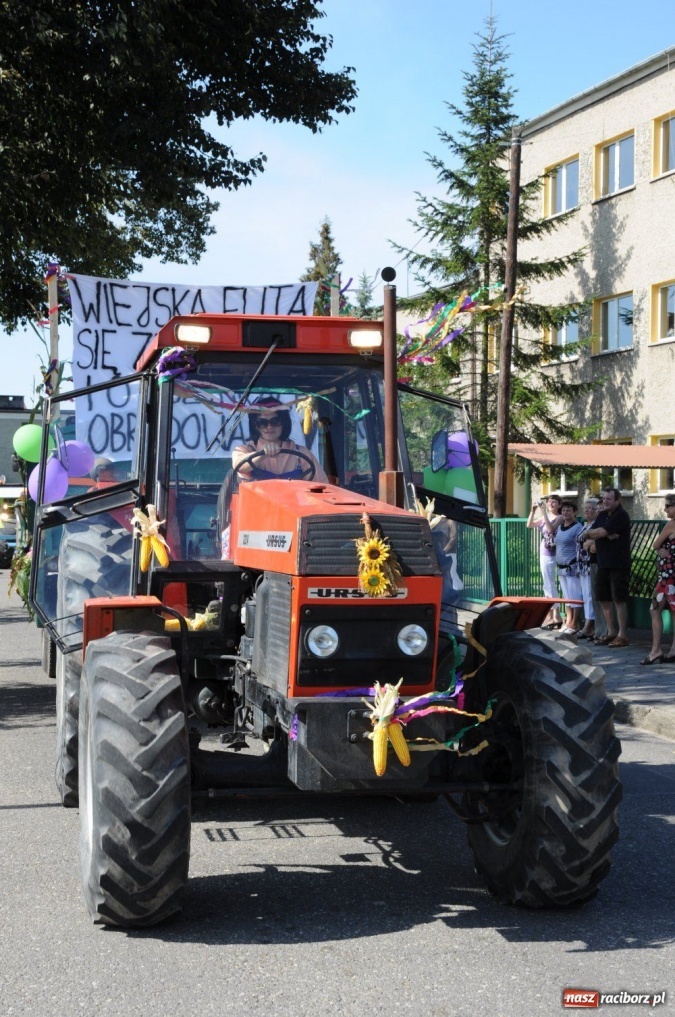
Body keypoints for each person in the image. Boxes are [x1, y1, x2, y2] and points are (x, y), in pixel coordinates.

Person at [232, 398, 327, 482]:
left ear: (284, 423)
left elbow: (322, 487)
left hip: (292, 502)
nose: (269, 427)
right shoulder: (244, 450)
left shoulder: (302, 454)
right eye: (262, 422)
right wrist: (262, 454)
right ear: (255, 426)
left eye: (275, 421)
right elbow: (239, 466)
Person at [584, 487, 632, 648]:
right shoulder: (603, 514)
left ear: (617, 501)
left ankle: (622, 635)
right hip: (603, 563)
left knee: (619, 599)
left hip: (618, 563)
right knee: (603, 598)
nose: (605, 501)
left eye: (608, 499)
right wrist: (598, 534)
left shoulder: (621, 515)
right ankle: (611, 632)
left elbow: (600, 532)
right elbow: (592, 532)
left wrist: (600, 534)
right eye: (604, 498)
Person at [641, 496, 675, 665]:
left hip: (668, 577)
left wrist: (661, 548)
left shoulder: (671, 524)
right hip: (670, 577)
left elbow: (655, 544)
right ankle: (673, 649)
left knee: (654, 609)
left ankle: (656, 650)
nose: (665, 509)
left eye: (668, 506)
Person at [543, 499, 584, 634]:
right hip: (561, 566)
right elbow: (550, 531)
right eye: (564, 510)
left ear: (574, 512)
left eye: (569, 510)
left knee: (575, 596)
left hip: (571, 566)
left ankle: (575, 623)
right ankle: (568, 621)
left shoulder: (577, 527)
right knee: (567, 597)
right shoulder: (560, 527)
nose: (566, 512)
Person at [527, 494, 563, 628]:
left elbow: (550, 529)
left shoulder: (559, 517)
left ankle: (556, 614)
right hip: (544, 551)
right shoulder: (544, 516)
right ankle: (552, 615)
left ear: (559, 504)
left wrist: (544, 513)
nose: (550, 504)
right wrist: (533, 510)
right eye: (549, 502)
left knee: (550, 583)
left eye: (554, 502)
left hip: (554, 552)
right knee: (547, 583)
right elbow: (529, 524)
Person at [576, 497, 599, 640]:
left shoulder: (596, 525)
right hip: (582, 564)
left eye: (590, 508)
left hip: (590, 563)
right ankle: (588, 622)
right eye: (585, 509)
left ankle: (590, 625)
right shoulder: (585, 524)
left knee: (590, 595)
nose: (587, 511)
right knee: (585, 594)